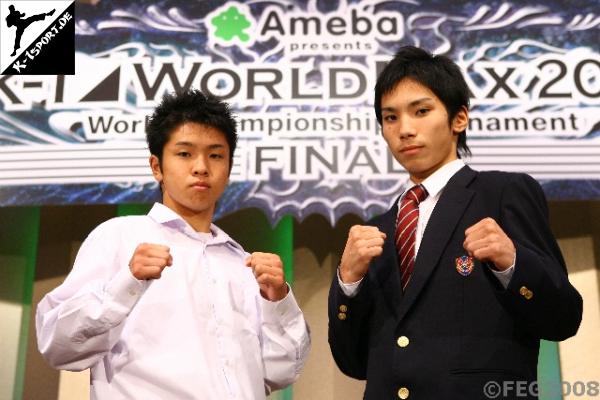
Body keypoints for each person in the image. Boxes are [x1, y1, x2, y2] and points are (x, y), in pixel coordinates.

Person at [328, 46, 582, 399]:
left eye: (421, 111)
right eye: (390, 118)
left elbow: (564, 317)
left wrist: (513, 262)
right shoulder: (377, 231)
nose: (405, 129)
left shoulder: (503, 193)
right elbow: (353, 363)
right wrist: (349, 283)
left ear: (459, 118)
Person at [36, 89, 311, 399]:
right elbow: (57, 345)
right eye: (184, 153)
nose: (201, 167)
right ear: (157, 167)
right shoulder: (118, 237)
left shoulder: (244, 264)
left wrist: (277, 300)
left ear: (229, 168)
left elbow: (280, 372)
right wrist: (126, 283)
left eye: (216, 155)